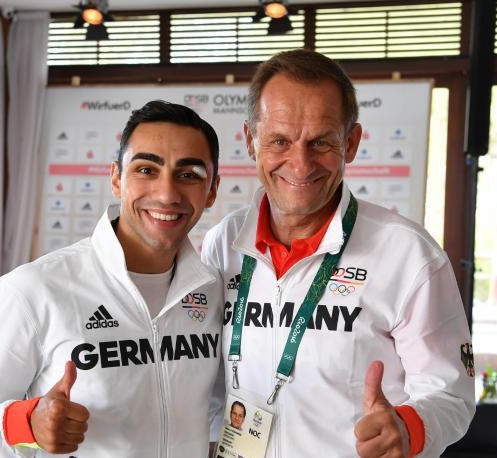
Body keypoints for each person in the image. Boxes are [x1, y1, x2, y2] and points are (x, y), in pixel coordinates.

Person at [202, 49, 475, 458]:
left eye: (321, 143)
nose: (300, 164)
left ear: (350, 143)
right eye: (279, 141)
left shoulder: (407, 254)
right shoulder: (223, 241)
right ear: (250, 141)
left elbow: (451, 394)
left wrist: (408, 426)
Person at [0, 100, 223, 457]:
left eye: (189, 175)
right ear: (116, 178)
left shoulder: (214, 291)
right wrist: (29, 422)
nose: (167, 194)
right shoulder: (32, 290)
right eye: (146, 170)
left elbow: (216, 408)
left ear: (213, 189)